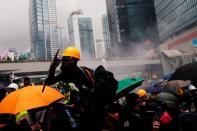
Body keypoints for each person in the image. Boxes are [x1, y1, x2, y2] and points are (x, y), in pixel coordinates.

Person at [46, 46, 117, 131]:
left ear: (71, 59)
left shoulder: (73, 71)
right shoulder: (74, 71)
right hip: (94, 113)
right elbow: (49, 83)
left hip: (90, 114)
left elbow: (49, 82)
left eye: (64, 58)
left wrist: (53, 67)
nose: (62, 61)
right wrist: (53, 67)